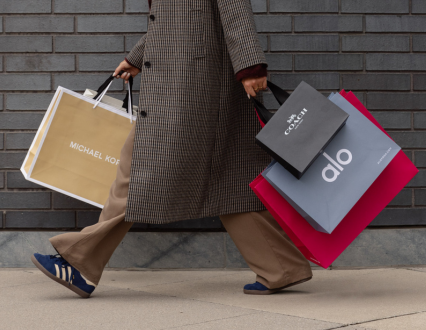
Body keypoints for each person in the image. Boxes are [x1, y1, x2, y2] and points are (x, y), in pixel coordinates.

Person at [31, 0, 312, 298]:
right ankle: (280, 267)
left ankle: (79, 263)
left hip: (192, 89)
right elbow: (171, 21)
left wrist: (251, 67)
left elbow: (235, 11)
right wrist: (138, 56)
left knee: (140, 173)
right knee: (228, 177)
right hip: (186, 85)